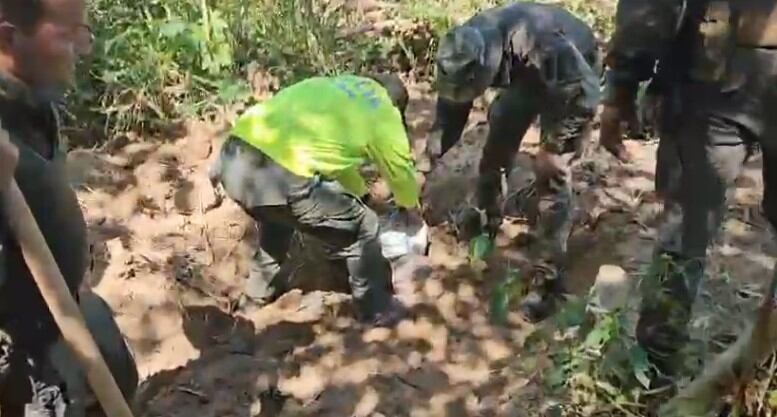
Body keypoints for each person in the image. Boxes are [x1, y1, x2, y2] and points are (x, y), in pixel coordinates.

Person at [601, 0, 777, 381]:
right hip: (721, 73)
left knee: (686, 232)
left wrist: (621, 88)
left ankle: (653, 371)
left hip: (716, 78)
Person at [0, 0, 138, 415]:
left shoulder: (30, 101)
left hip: (64, 308)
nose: (81, 48)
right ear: (8, 39)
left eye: (84, 33)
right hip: (22, 349)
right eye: (68, 35)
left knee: (116, 372)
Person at [429, 2, 602, 321]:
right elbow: (449, 114)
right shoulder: (461, 51)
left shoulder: (541, 43)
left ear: (490, 65)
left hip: (572, 79)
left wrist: (555, 147)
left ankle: (546, 278)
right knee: (497, 143)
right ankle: (484, 221)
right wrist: (428, 159)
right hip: (527, 77)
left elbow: (587, 94)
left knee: (550, 173)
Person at [210, 73, 421, 327]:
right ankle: (377, 308)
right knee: (363, 227)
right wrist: (410, 207)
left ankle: (255, 297)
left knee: (278, 221)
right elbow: (400, 168)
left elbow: (336, 163)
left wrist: (363, 196)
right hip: (280, 173)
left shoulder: (336, 86)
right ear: (398, 107)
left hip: (233, 157)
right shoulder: (383, 110)